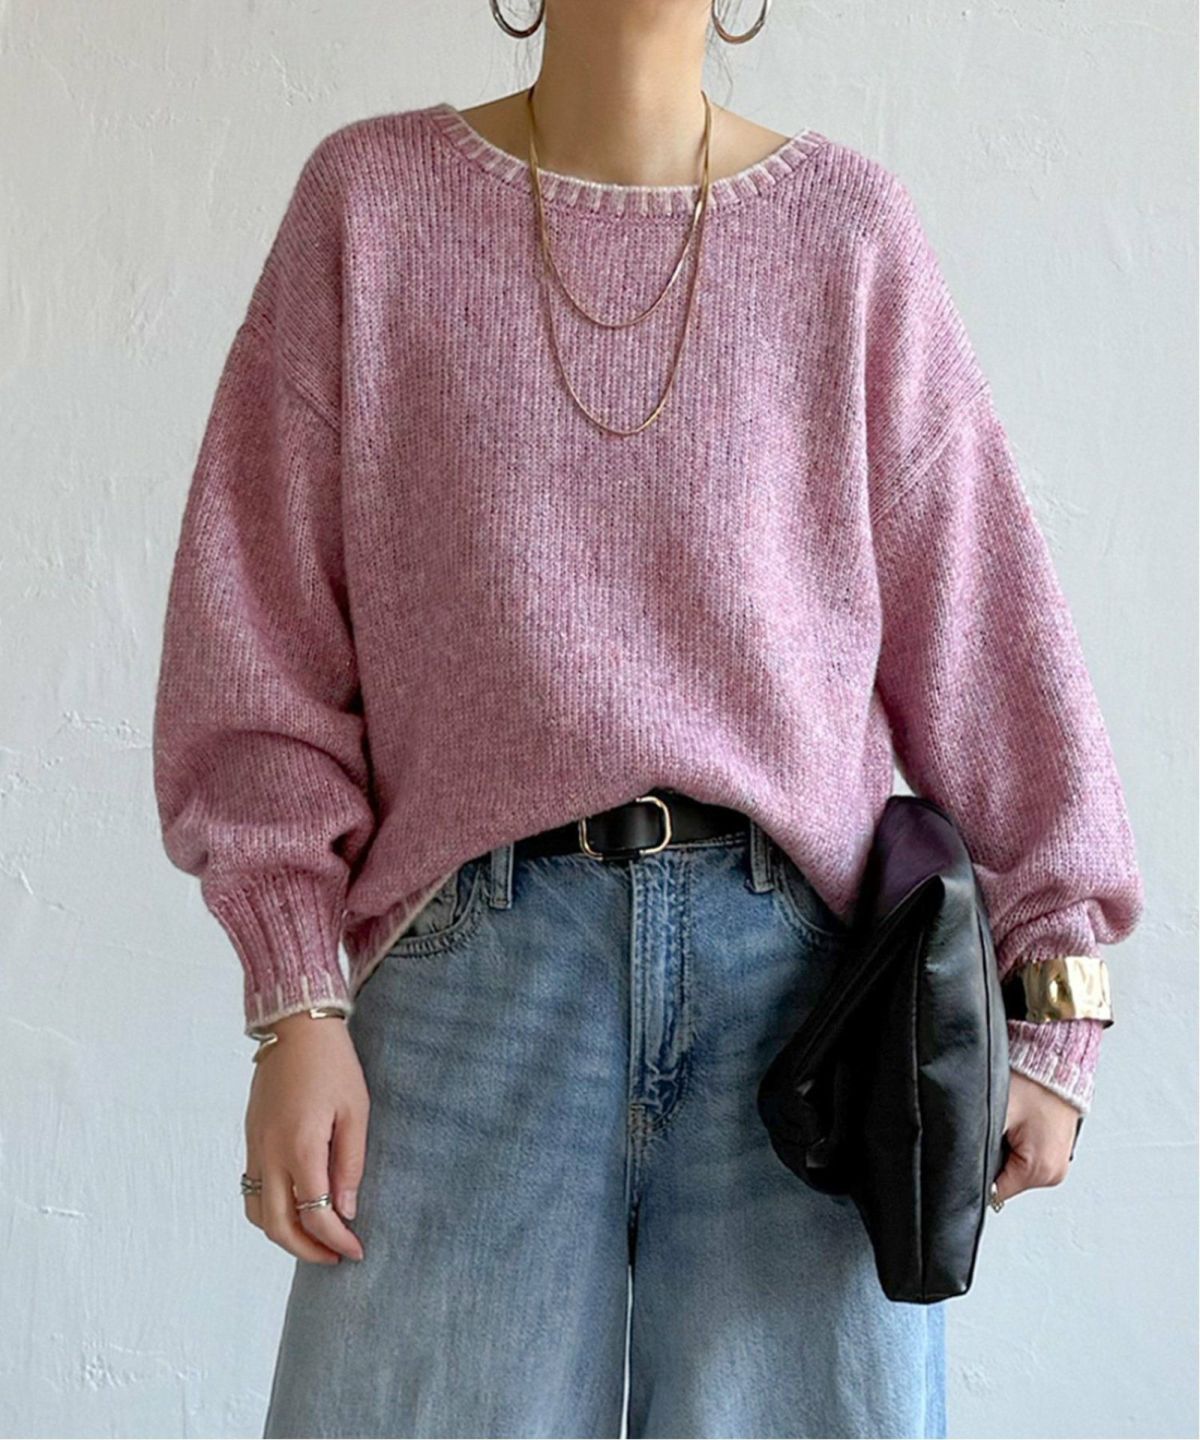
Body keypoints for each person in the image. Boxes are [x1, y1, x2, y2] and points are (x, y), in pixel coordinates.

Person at [151, 2, 1144, 1435]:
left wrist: (1057, 996)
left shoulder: (849, 235)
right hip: (470, 984)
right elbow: (257, 630)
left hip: (802, 1016)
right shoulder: (370, 208)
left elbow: (987, 629)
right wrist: (294, 996)